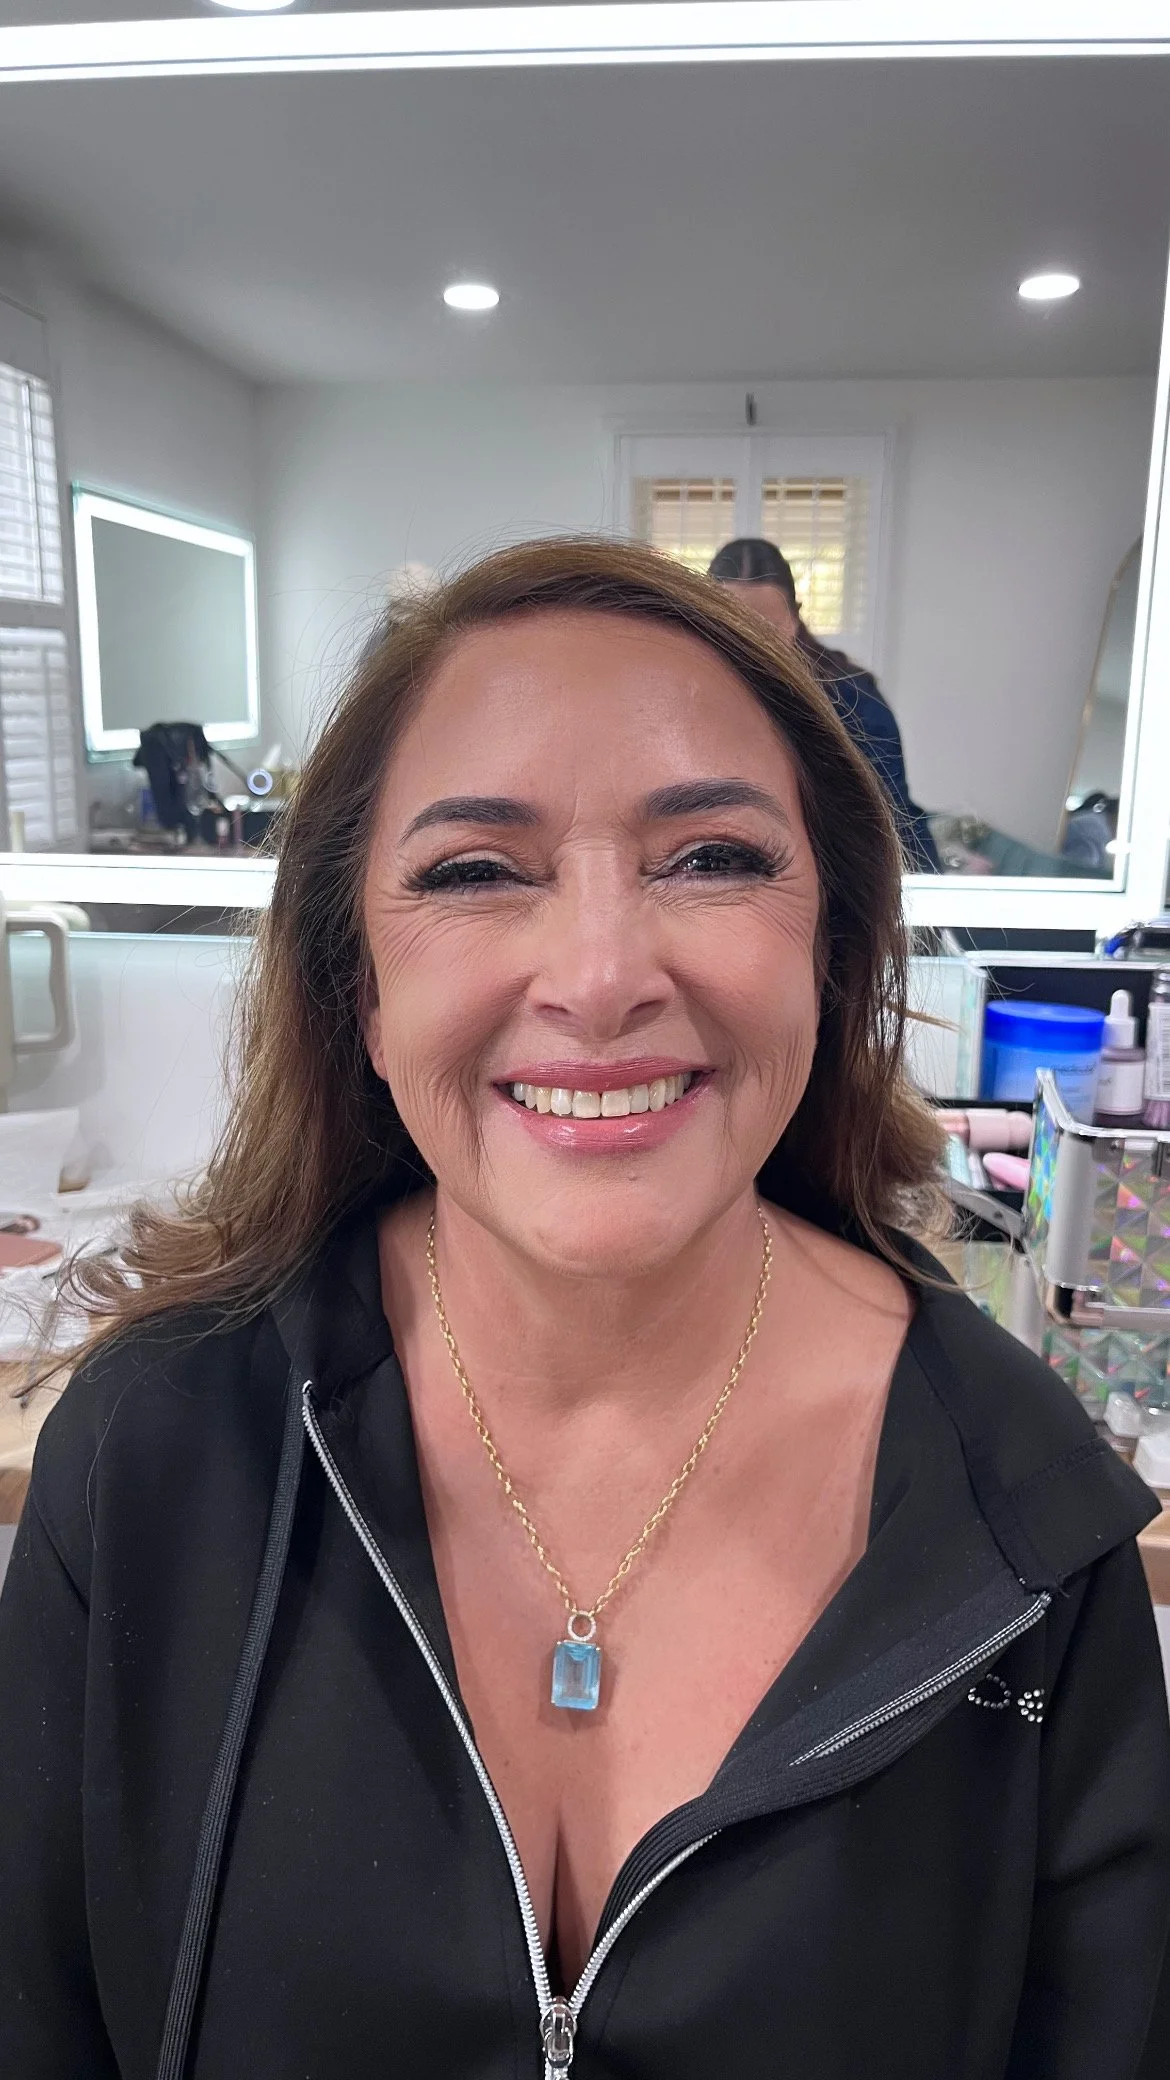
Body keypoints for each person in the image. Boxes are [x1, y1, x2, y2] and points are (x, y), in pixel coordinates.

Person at [1, 537, 1167, 2080]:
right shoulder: (154, 1455)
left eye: (711, 858)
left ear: (829, 947)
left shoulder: (1021, 1516)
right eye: (477, 871)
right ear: (356, 981)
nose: (602, 974)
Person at [708, 535, 942, 871]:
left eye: (766, 628)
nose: (749, 644)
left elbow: (893, 819)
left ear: (794, 618)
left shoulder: (852, 700)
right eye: (730, 625)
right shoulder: (682, 694)